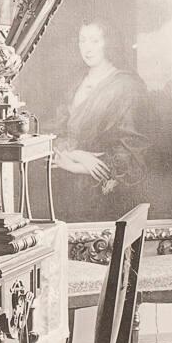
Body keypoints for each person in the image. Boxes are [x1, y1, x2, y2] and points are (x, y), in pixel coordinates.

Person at [50, 20, 150, 222]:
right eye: (82, 40)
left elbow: (133, 154)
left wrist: (78, 165)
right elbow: (58, 132)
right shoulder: (77, 82)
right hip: (67, 187)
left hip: (103, 194)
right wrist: (76, 154)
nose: (87, 48)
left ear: (109, 43)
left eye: (95, 40)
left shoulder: (127, 87)